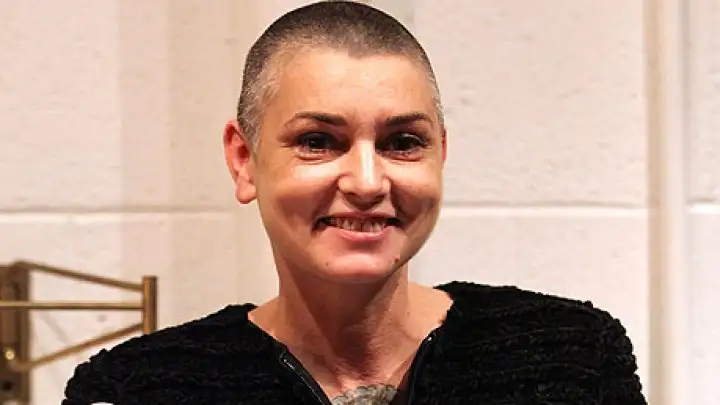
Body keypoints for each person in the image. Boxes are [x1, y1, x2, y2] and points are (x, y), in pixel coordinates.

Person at [62, 1, 647, 404]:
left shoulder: (573, 357)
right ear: (244, 161)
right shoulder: (138, 388)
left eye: (402, 142)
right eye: (318, 141)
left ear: (440, 154)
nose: (367, 182)